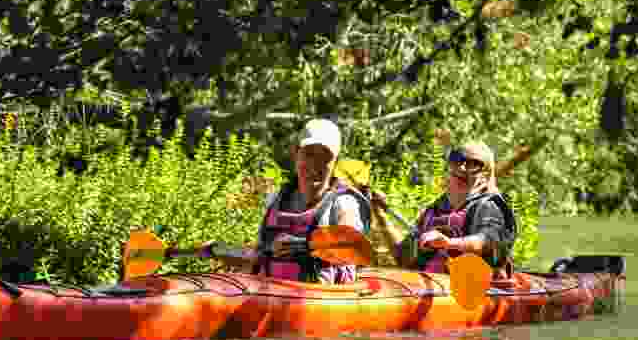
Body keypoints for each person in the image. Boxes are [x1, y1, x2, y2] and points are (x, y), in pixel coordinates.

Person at [214, 119, 371, 284]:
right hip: (274, 298)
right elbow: (258, 257)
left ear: (336, 162)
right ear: (295, 153)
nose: (315, 164)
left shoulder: (345, 202)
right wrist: (222, 251)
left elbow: (352, 245)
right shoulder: (275, 199)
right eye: (309, 153)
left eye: (325, 156)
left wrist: (303, 246)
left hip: (325, 301)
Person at [371, 141, 517, 279]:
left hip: (470, 292)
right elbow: (402, 256)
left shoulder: (490, 207)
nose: (462, 167)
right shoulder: (433, 212)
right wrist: (380, 214)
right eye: (457, 159)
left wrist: (449, 243)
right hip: (427, 291)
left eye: (473, 163)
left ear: (485, 174)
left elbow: (487, 240)